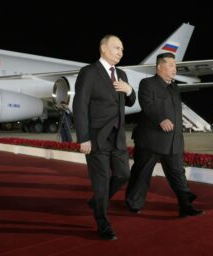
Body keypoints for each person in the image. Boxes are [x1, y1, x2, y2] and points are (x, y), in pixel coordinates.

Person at [72, 35, 136, 240]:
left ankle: (99, 200)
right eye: (117, 48)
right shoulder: (89, 72)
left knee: (123, 174)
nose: (121, 52)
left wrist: (129, 90)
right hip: (96, 137)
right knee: (101, 182)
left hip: (117, 138)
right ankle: (103, 223)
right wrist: (83, 138)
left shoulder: (122, 74)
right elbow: (79, 106)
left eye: (123, 49)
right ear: (103, 48)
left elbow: (130, 102)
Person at [126, 52, 203, 217]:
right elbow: (147, 104)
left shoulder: (174, 87)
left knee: (178, 174)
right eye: (171, 65)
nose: (175, 69)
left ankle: (186, 206)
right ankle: (134, 203)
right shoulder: (147, 83)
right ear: (159, 66)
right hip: (151, 139)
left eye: (175, 66)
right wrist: (160, 119)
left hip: (173, 141)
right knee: (142, 173)